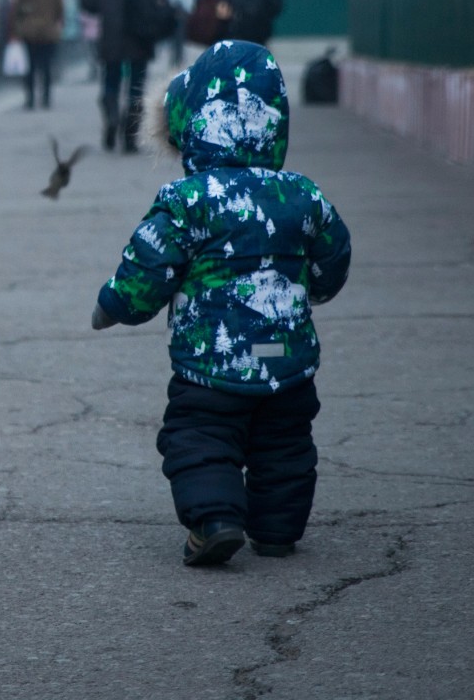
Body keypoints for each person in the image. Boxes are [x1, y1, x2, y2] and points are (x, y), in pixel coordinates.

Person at [90, 41, 353, 567]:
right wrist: (315, 291)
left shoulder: (188, 200)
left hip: (211, 361)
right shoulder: (301, 194)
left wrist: (114, 305)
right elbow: (334, 256)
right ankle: (277, 531)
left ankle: (215, 520)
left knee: (199, 437)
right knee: (285, 445)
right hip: (286, 358)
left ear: (190, 124)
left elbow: (148, 266)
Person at [77, 0, 167, 153]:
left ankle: (111, 117)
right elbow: (161, 1)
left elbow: (88, 4)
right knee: (136, 86)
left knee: (110, 82)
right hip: (140, 37)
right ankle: (129, 137)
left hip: (110, 38)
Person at [10, 0, 66, 110]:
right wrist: (55, 23)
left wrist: (18, 27)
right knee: (46, 67)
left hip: (29, 33)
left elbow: (17, 10)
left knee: (30, 67)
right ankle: (46, 99)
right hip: (49, 33)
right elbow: (60, 10)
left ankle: (30, 99)